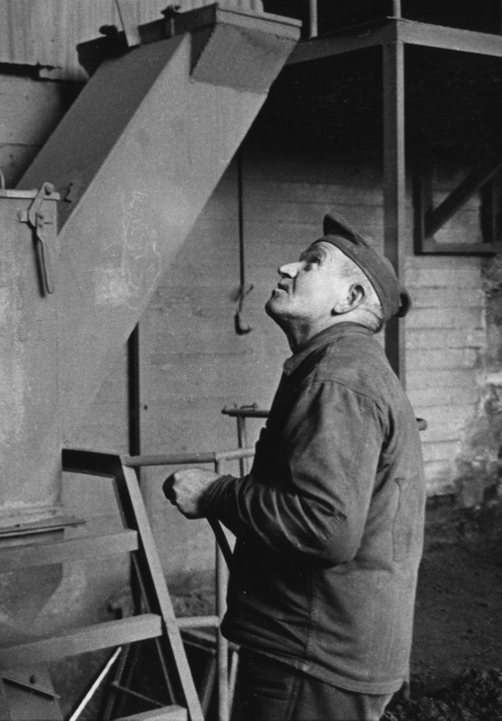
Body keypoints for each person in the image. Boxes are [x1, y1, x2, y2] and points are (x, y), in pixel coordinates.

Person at [163, 213, 425, 721]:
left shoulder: (337, 379)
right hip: (325, 648)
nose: (287, 268)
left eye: (311, 263)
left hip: (311, 657)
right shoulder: (344, 368)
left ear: (349, 298)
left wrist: (215, 494)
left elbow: (325, 528)